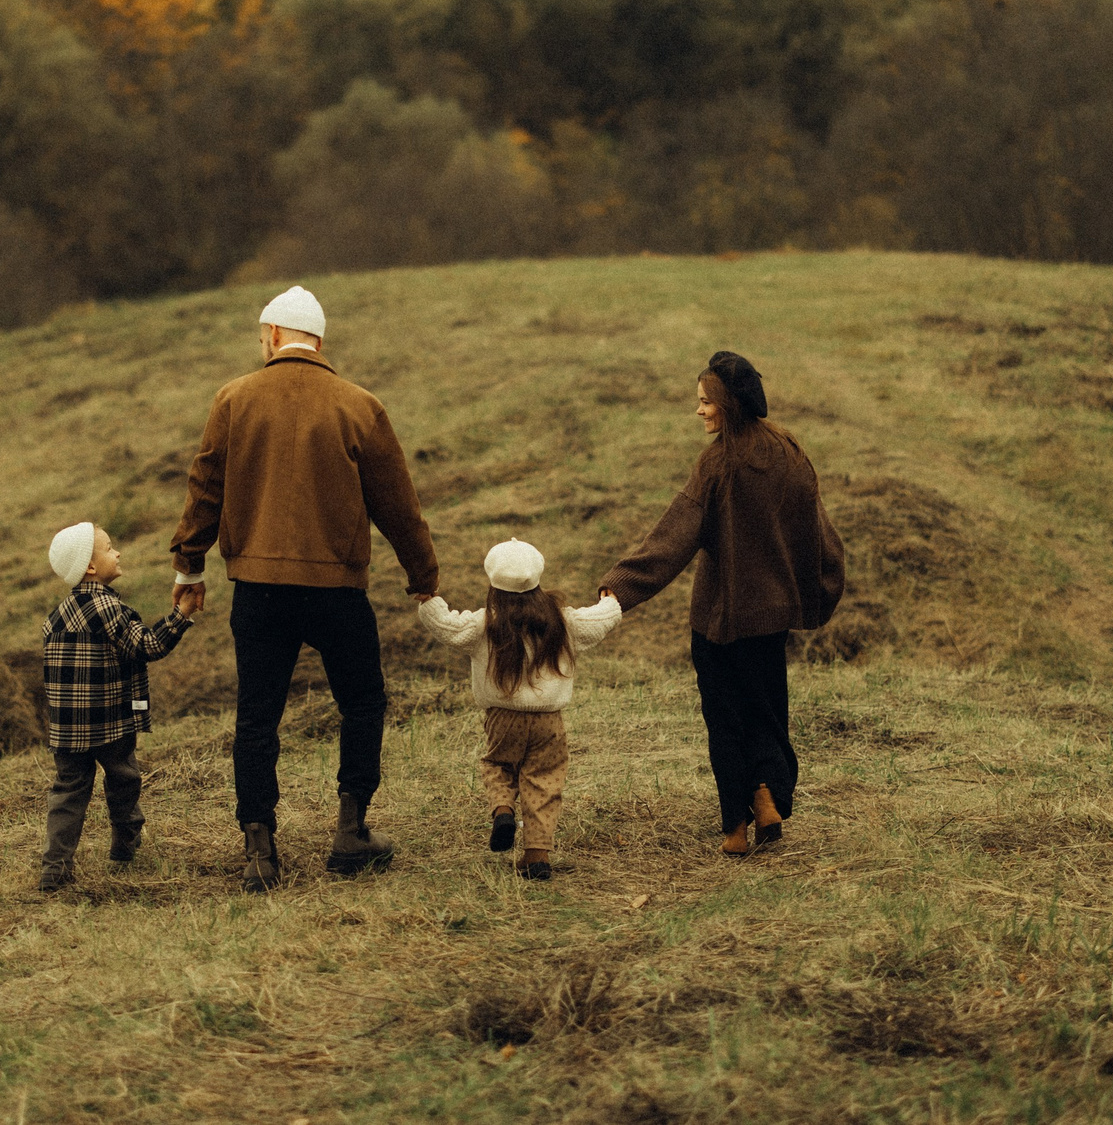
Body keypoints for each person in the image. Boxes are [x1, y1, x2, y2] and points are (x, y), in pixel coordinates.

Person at [170, 285, 441, 891]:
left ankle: (260, 850)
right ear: (319, 341)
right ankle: (351, 831)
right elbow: (398, 503)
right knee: (363, 703)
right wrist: (422, 575)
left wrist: (190, 566)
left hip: (258, 591)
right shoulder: (359, 405)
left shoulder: (234, 398)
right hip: (336, 590)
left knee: (256, 718)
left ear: (270, 336)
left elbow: (204, 487)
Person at [597, 351, 847, 857]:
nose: (699, 411)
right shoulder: (790, 451)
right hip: (770, 619)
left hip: (718, 622)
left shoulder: (718, 462)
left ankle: (735, 827)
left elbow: (673, 536)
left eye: (705, 402)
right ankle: (768, 794)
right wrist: (818, 587)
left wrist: (620, 588)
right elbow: (816, 532)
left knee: (725, 717)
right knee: (768, 710)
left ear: (728, 405)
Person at [417, 537, 623, 880]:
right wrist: (611, 601)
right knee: (544, 782)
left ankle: (502, 810)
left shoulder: (484, 624)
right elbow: (599, 620)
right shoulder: (562, 622)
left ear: (492, 581)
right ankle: (537, 855)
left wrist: (429, 601)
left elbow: (446, 625)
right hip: (549, 721)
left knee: (498, 765)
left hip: (502, 719)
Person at [38, 521, 199, 892]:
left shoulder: (54, 617)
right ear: (91, 567)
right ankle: (125, 844)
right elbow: (148, 647)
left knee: (67, 792)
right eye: (109, 548)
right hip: (111, 722)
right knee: (124, 779)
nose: (118, 552)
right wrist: (181, 615)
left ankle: (55, 868)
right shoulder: (111, 609)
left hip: (68, 730)